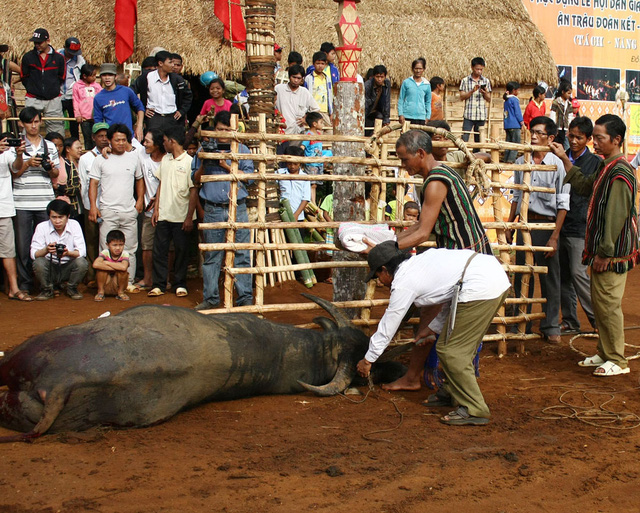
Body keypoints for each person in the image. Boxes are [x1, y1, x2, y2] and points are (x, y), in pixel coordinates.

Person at [371, 130, 491, 392]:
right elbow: (419, 227)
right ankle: (419, 377)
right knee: (433, 315)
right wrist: (387, 242)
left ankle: (427, 380)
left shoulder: (435, 182)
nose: (403, 165)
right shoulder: (442, 173)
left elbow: (423, 233)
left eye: (404, 159)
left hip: (466, 261)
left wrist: (384, 251)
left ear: (421, 154)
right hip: (464, 256)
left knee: (440, 318)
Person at [356, 242, 510, 426]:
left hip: (481, 286)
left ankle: (474, 409)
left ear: (385, 269)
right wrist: (432, 328)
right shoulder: (419, 264)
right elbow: (450, 296)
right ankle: (451, 392)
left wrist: (368, 360)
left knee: (453, 352)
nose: (379, 281)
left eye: (378, 275)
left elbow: (389, 324)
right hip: (490, 278)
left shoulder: (404, 281)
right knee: (448, 346)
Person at [550, 114, 638, 376]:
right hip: (604, 250)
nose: (595, 143)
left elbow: (615, 216)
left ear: (616, 139)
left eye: (599, 138)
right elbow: (586, 186)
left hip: (612, 253)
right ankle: (605, 352)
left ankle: (618, 360)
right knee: (601, 302)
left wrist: (604, 252)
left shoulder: (621, 172)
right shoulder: (606, 166)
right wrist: (566, 160)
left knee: (609, 303)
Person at [507, 116, 569, 343]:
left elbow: (563, 203)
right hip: (525, 224)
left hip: (547, 224)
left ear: (551, 138)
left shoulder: (558, 164)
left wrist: (554, 236)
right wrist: (510, 223)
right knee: (523, 273)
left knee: (550, 277)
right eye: (532, 131)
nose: (533, 136)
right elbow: (516, 194)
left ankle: (551, 325)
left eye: (539, 133)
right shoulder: (521, 159)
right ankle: (519, 321)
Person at [192, 111, 254, 310]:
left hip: (238, 207)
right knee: (212, 256)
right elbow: (195, 179)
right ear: (214, 128)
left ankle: (244, 297)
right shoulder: (204, 148)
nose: (224, 133)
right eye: (220, 129)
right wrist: (204, 161)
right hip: (213, 209)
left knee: (242, 254)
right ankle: (211, 299)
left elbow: (249, 178)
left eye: (228, 129)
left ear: (234, 129)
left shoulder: (242, 149)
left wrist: (225, 165)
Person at [9, 107, 60, 294]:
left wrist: (49, 167)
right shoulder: (17, 145)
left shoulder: (50, 146)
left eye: (37, 121)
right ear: (22, 123)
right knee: (23, 247)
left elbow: (55, 174)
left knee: (47, 246)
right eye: (30, 122)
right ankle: (25, 285)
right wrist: (27, 162)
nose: (33, 125)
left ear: (41, 122)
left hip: (44, 201)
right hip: (22, 202)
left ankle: (46, 285)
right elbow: (14, 174)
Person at [555, 116, 599, 334]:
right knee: (565, 276)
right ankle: (570, 321)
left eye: (579, 137)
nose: (573, 141)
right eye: (571, 136)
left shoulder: (594, 163)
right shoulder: (560, 157)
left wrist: (564, 160)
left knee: (578, 274)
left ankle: (598, 321)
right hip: (560, 225)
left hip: (580, 226)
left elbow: (587, 191)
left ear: (588, 139)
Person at [88, 124, 144, 286]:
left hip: (129, 211)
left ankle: (128, 282)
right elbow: (93, 184)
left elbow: (139, 179)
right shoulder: (100, 159)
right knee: (105, 251)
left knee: (130, 249)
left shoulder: (134, 158)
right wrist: (93, 206)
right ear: (110, 141)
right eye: (117, 140)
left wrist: (139, 200)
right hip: (108, 211)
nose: (120, 143)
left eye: (123, 140)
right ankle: (105, 284)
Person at [147, 127, 197, 298]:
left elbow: (193, 190)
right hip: (164, 213)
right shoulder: (166, 160)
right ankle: (159, 284)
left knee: (182, 251)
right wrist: (156, 209)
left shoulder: (190, 162)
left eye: (165, 140)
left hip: (182, 215)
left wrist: (189, 217)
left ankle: (180, 283)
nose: (163, 143)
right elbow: (161, 184)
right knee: (159, 250)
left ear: (172, 141)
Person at [30, 199, 88, 300]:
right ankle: (47, 290)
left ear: (68, 216)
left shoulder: (74, 225)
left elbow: (81, 252)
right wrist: (46, 250)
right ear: (49, 217)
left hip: (68, 267)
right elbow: (33, 254)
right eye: (54, 217)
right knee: (38, 262)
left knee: (82, 262)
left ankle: (72, 288)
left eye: (61, 217)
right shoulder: (42, 227)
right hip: (50, 267)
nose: (57, 221)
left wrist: (68, 253)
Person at [78, 122, 110, 283]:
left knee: (107, 242)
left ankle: (107, 276)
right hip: (92, 206)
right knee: (91, 242)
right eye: (100, 136)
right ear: (93, 138)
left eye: (106, 136)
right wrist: (91, 207)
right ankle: (92, 276)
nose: (104, 139)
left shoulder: (113, 155)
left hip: (109, 205)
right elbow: (84, 185)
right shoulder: (85, 158)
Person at [0, 134, 30, 301]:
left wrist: (19, 154)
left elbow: (16, 168)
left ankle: (14, 288)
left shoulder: (8, 154)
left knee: (8, 252)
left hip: (4, 209)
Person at [134, 129, 165, 291]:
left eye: (148, 141)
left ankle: (165, 278)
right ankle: (147, 278)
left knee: (168, 247)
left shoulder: (168, 159)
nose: (144, 144)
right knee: (146, 246)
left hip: (167, 211)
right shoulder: (142, 155)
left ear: (158, 144)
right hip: (148, 211)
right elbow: (126, 144)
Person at [133, 51, 193, 133]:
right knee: (152, 143)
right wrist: (142, 109)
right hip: (154, 118)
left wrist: (181, 111)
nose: (173, 65)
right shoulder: (146, 78)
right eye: (170, 62)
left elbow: (188, 96)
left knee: (172, 143)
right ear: (161, 63)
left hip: (173, 118)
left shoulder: (177, 79)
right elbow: (131, 94)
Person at [20, 28, 66, 135]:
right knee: (29, 126)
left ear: (47, 41)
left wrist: (52, 88)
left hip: (53, 99)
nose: (37, 45)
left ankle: (55, 151)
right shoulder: (28, 57)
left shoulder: (59, 58)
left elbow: (61, 76)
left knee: (56, 128)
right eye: (35, 42)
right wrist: (33, 88)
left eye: (40, 42)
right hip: (33, 98)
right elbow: (24, 76)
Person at [93, 63, 145, 141]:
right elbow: (98, 122)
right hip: (111, 138)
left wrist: (139, 126)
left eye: (110, 75)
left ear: (115, 76)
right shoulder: (98, 98)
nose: (107, 78)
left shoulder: (126, 91)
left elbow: (140, 107)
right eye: (104, 75)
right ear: (100, 77)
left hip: (129, 136)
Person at [275, 64, 319, 135]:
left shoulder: (304, 92)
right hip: (281, 131)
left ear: (302, 79)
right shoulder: (279, 89)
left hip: (298, 132)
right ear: (289, 77)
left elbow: (316, 109)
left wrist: (306, 120)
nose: (296, 80)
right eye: (294, 77)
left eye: (298, 78)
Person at [459, 57, 492, 145]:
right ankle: (461, 156)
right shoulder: (465, 81)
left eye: (481, 69)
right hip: (469, 115)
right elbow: (462, 97)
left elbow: (489, 99)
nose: (479, 71)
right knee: (464, 138)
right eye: (477, 69)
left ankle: (477, 156)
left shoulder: (486, 81)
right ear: (472, 67)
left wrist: (485, 93)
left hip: (481, 115)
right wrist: (472, 91)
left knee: (479, 140)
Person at [57, 37, 85, 140]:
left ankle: (75, 143)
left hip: (72, 95)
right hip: (58, 94)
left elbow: (83, 77)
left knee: (74, 122)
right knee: (58, 121)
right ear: (64, 47)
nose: (72, 54)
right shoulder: (56, 56)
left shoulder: (80, 60)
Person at [92, 229, 130, 302]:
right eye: (114, 245)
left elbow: (123, 267)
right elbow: (95, 264)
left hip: (117, 284)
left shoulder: (125, 254)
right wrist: (117, 266)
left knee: (123, 272)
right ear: (107, 245)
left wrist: (107, 263)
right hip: (106, 282)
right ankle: (100, 292)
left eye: (121, 245)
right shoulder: (105, 252)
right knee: (101, 270)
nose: (118, 248)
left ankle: (121, 292)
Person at [276, 145, 310, 221]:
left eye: (295, 164)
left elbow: (306, 198)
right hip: (282, 215)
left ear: (300, 163)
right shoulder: (279, 173)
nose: (292, 166)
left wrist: (297, 214)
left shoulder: (305, 177)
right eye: (289, 164)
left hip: (298, 216)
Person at [72, 63, 102, 150]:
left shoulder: (97, 86)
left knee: (97, 137)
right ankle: (89, 154)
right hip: (84, 118)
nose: (94, 78)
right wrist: (77, 114)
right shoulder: (77, 86)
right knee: (88, 138)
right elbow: (76, 101)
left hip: (96, 117)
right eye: (92, 76)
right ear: (84, 76)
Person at [398, 58, 431, 125]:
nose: (418, 71)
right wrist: (400, 114)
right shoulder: (406, 82)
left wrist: (428, 116)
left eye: (420, 68)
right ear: (412, 69)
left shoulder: (426, 84)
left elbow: (428, 102)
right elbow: (401, 99)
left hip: (421, 117)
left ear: (423, 69)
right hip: (407, 116)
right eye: (416, 68)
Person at [58, 137, 83, 221]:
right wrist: (60, 187)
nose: (80, 150)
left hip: (81, 205)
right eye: (77, 148)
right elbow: (76, 187)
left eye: (81, 148)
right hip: (70, 205)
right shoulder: (64, 165)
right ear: (68, 149)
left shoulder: (81, 163)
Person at [304, 51, 333, 126]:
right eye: (318, 63)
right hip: (314, 111)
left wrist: (331, 112)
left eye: (322, 64)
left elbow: (330, 95)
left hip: (325, 111)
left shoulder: (327, 79)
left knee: (329, 132)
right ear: (313, 64)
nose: (320, 66)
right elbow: (306, 95)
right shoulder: (309, 78)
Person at [301, 111, 324, 204]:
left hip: (319, 162)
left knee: (315, 184)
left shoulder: (319, 135)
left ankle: (312, 201)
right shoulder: (309, 135)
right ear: (314, 124)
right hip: (311, 163)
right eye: (321, 122)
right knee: (311, 183)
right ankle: (311, 202)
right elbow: (302, 147)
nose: (323, 124)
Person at [364, 65, 391, 135]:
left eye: (382, 77)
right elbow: (365, 104)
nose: (379, 79)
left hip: (377, 111)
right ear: (373, 76)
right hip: (367, 112)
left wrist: (386, 118)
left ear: (385, 77)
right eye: (377, 77)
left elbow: (387, 101)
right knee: (367, 132)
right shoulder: (367, 85)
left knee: (379, 120)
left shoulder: (387, 84)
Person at [502, 81, 524, 163]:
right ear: (514, 91)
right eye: (518, 90)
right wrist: (521, 122)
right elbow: (517, 112)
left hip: (507, 125)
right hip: (515, 125)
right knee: (515, 144)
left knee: (508, 143)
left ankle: (506, 159)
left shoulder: (506, 100)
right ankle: (510, 160)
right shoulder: (514, 100)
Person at [550, 80, 573, 150]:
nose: (569, 95)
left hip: (565, 128)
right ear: (563, 92)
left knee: (566, 146)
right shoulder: (556, 102)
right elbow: (553, 115)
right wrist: (554, 127)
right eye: (568, 93)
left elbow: (570, 116)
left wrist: (569, 127)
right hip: (558, 128)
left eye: (570, 94)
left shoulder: (569, 104)